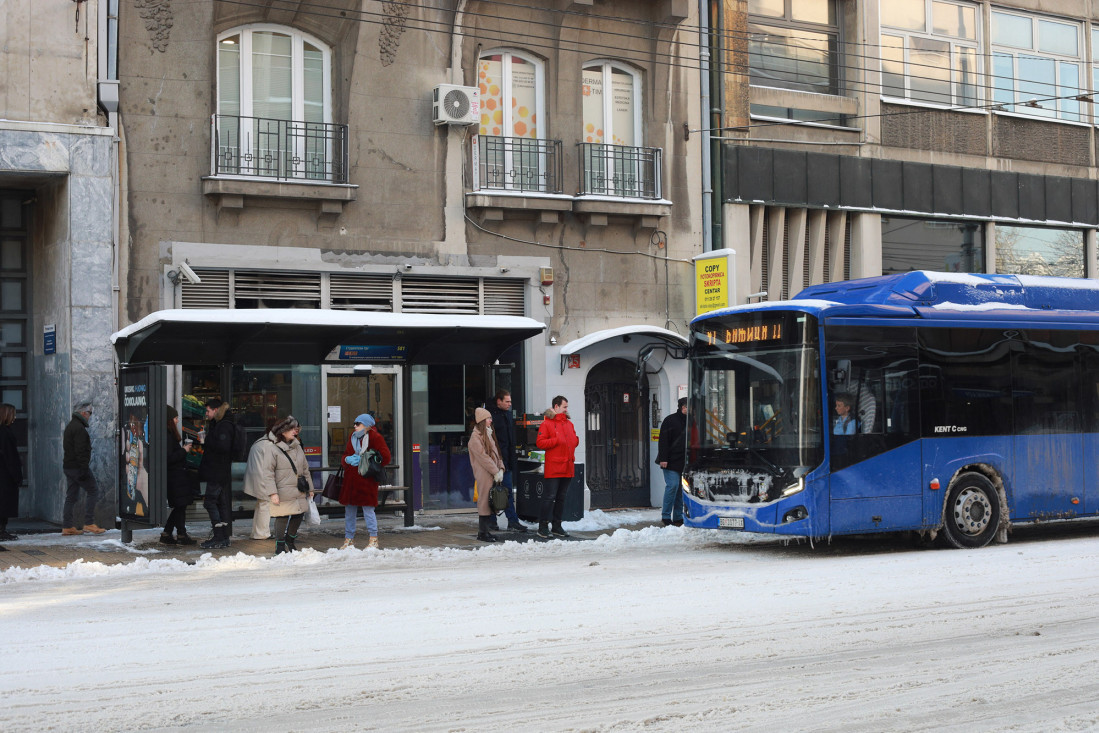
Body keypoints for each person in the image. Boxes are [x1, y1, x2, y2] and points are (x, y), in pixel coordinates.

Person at [243, 415, 312, 554]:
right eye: (292, 428)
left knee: (298, 515)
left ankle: (290, 541)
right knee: (282, 516)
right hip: (282, 488)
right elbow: (268, 472)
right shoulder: (271, 447)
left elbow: (305, 469)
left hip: (297, 488)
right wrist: (272, 492)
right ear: (283, 431)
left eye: (296, 428)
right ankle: (280, 546)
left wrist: (310, 488)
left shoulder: (297, 446)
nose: (296, 430)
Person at [339, 413, 391, 550]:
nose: (355, 426)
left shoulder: (375, 437)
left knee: (368, 510)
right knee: (349, 511)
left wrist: (366, 459)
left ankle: (373, 539)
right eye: (354, 423)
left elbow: (385, 457)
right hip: (351, 480)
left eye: (358, 423)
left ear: (367, 425)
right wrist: (346, 460)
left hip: (366, 480)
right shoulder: (352, 437)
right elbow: (345, 455)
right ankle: (348, 539)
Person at [535, 395, 579, 539]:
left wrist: (574, 441)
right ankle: (543, 527)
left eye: (567, 407)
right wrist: (556, 440)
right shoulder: (547, 424)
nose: (566, 409)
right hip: (554, 466)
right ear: (556, 407)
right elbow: (540, 442)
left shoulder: (569, 424)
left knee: (561, 498)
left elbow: (574, 440)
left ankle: (557, 525)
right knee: (549, 497)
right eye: (564, 407)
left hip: (567, 465)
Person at [62, 401, 105, 535]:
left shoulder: (71, 426)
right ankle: (89, 523)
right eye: (89, 413)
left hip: (69, 466)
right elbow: (80, 451)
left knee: (71, 496)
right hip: (78, 468)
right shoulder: (79, 429)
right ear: (83, 413)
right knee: (93, 490)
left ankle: (67, 526)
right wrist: (84, 469)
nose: (90, 416)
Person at [486, 389, 526, 532]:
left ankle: (512, 520)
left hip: (507, 460)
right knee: (493, 491)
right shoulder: (490, 416)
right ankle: (493, 520)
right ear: (499, 401)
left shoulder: (507, 415)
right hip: (495, 460)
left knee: (507, 490)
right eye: (507, 401)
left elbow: (510, 440)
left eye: (510, 401)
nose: (510, 404)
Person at [198, 399, 235, 549]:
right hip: (218, 471)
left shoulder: (224, 425)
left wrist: (206, 442)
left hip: (217, 471)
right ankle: (223, 536)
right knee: (220, 503)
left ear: (215, 410)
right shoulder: (220, 424)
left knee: (210, 502)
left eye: (208, 411)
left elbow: (223, 447)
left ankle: (219, 536)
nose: (206, 414)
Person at [468, 407, 506, 542]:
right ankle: (482, 532)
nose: (491, 420)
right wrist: (496, 471)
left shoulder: (488, 434)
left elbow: (497, 453)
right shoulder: (475, 438)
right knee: (484, 502)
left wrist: (501, 468)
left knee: (490, 502)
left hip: (492, 473)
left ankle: (486, 531)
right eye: (488, 418)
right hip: (484, 474)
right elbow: (483, 457)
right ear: (482, 420)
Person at [161, 405, 197, 545]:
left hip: (176, 476)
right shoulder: (167, 436)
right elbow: (169, 458)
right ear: (170, 419)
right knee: (180, 505)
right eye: (175, 418)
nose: (177, 421)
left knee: (180, 506)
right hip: (175, 477)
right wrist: (184, 450)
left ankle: (168, 533)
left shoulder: (168, 434)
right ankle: (181, 534)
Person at [656, 397, 688, 527]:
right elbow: (663, 440)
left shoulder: (692, 421)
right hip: (669, 461)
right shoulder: (670, 420)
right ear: (682, 407)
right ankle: (666, 516)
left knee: (681, 489)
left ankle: (678, 517)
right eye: (689, 407)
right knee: (673, 486)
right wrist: (663, 458)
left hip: (684, 462)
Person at [0, 403, 22, 541]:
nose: (15, 417)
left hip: (4, 474)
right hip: (5, 475)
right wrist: (17, 476)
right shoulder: (5, 433)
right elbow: (10, 456)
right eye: (13, 414)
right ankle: (1, 531)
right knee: (5, 504)